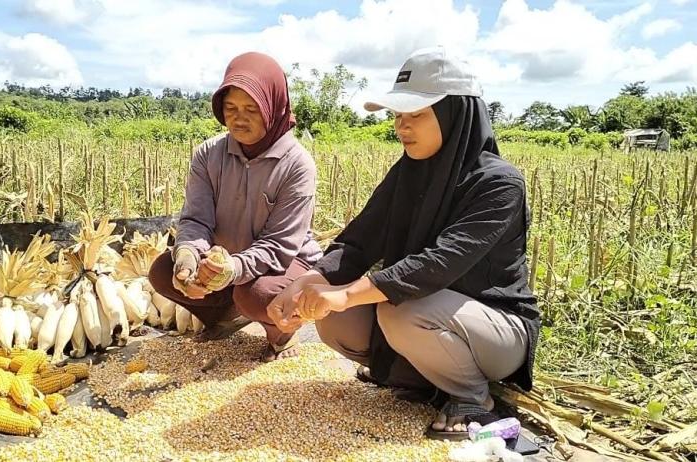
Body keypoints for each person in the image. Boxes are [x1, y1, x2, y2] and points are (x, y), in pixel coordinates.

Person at [267, 47, 540, 438]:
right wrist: (303, 286)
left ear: (454, 115)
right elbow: (360, 241)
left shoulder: (498, 183)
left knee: (398, 310)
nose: (401, 126)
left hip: (496, 329)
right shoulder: (407, 175)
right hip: (426, 313)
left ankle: (472, 397)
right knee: (334, 320)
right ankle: (419, 378)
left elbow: (437, 263)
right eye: (398, 115)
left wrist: (345, 294)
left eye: (416, 115)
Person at [148, 51, 322, 362]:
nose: (239, 118)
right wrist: (187, 256)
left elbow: (279, 246)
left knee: (257, 295)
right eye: (230, 108)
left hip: (284, 264)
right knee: (164, 271)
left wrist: (233, 270)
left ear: (273, 107)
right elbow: (196, 219)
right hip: (223, 263)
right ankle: (225, 317)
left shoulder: (297, 165)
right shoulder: (208, 154)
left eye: (251, 109)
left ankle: (281, 335)